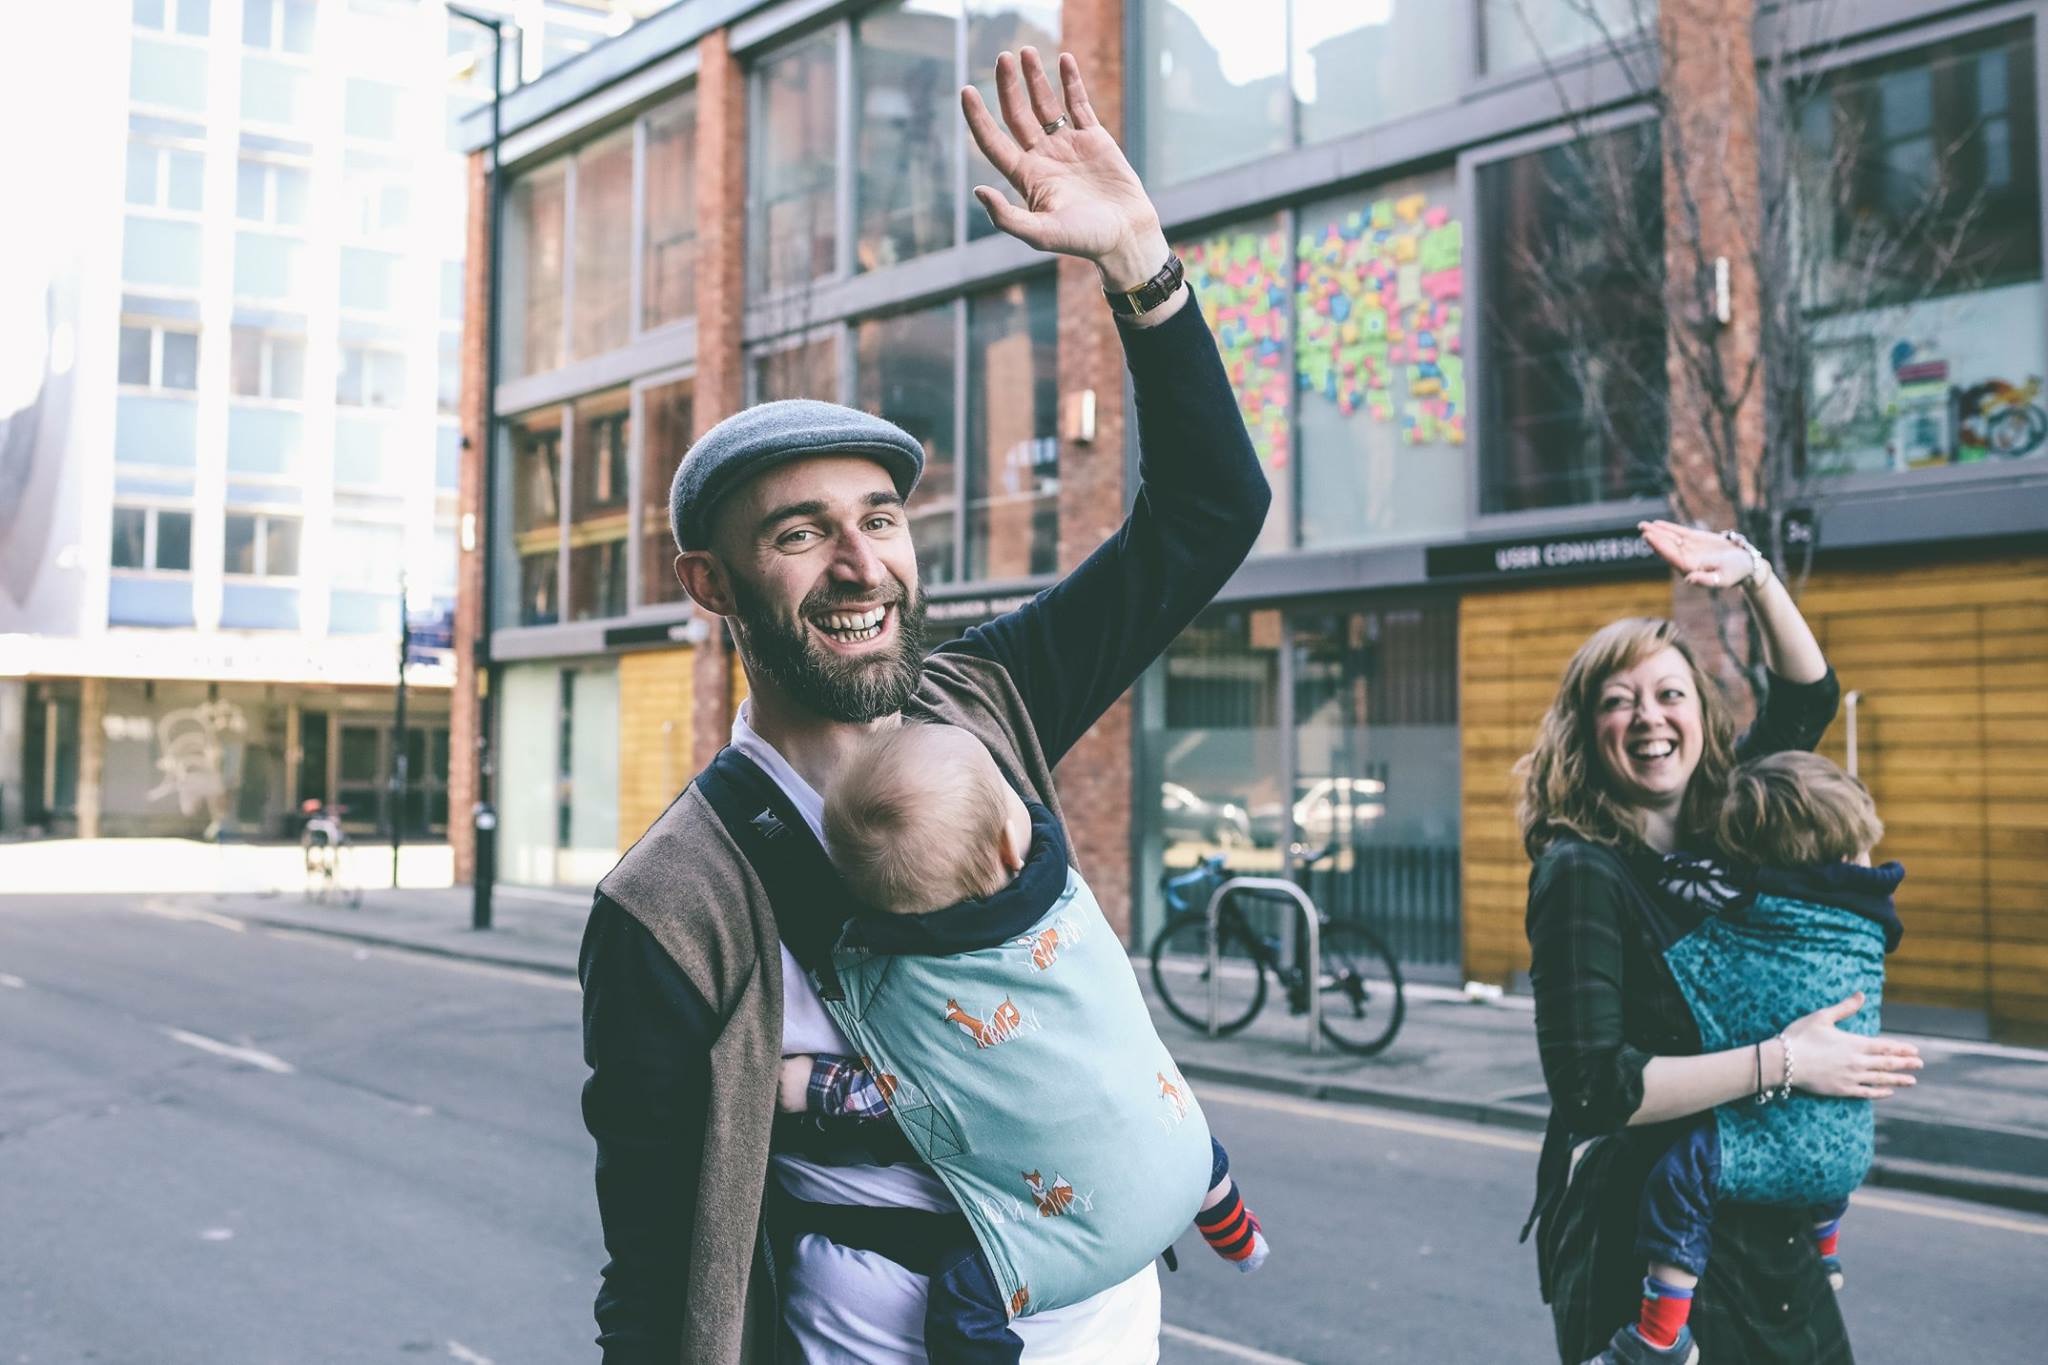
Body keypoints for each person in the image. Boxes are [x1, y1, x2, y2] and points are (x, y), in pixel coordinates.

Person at [577, 46, 1271, 1364]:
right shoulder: (667, 906)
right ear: (709, 582)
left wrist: (1139, 262)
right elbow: (655, 1271)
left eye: (881, 519)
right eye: (801, 534)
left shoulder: (989, 701)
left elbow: (1208, 512)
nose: (862, 566)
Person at [1515, 519, 1923, 1365]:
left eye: (1670, 693)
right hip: (1644, 1238)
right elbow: (1596, 1088)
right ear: (1585, 730)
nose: (1648, 717)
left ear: (1703, 713)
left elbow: (1809, 695)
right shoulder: (1581, 869)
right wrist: (1788, 1061)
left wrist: (1754, 575)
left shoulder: (1735, 816)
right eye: (1618, 700)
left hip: (1763, 1215)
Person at [771, 722, 1267, 1361]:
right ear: (1012, 846)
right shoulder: (1066, 901)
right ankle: (1239, 1238)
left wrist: (809, 1083)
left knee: (965, 1298)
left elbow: (899, 1094)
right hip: (1177, 1162)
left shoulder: (916, 987)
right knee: (1183, 1137)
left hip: (1065, 1238)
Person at [1609, 751, 1906, 1364]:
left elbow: (1671, 887)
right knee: (1820, 1137)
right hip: (1848, 1153)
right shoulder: (1874, 911)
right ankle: (1827, 1251)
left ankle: (1660, 1338)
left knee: (1680, 1179)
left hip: (1778, 1148)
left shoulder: (1752, 900)